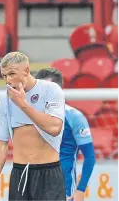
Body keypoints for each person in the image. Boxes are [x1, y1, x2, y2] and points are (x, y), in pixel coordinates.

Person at [0, 52, 66, 201]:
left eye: (11, 74)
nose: (8, 80)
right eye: (4, 76)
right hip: (20, 173)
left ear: (26, 70)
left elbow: (54, 128)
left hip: (48, 173)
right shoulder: (5, 100)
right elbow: (0, 143)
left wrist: (23, 104)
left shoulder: (51, 90)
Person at [35, 68, 96, 201]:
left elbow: (90, 156)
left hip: (65, 191)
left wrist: (80, 189)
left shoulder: (74, 117)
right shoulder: (31, 116)